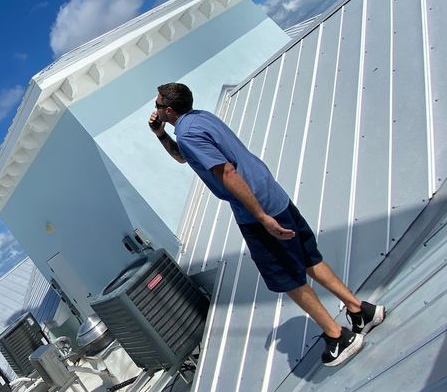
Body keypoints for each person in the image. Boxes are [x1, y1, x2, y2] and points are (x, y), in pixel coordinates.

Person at [150, 82, 384, 367]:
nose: (156, 108)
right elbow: (185, 158)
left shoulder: (187, 134)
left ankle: (338, 337)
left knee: (288, 278)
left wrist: (261, 217)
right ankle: (361, 311)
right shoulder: (200, 118)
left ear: (170, 110)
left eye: (158, 105)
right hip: (273, 193)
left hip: (257, 210)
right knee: (309, 258)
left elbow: (227, 173)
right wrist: (161, 134)